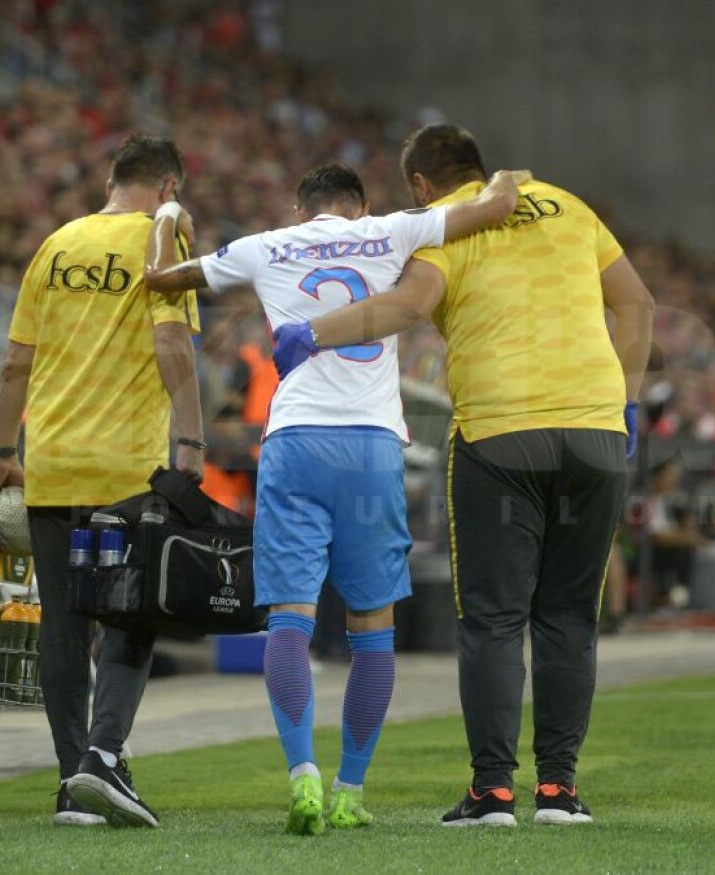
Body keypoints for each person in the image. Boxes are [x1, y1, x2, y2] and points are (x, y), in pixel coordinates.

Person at [274, 124, 656, 827]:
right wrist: (626, 400)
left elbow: (407, 306)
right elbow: (637, 303)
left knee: (494, 619)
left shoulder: (445, 227)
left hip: (500, 433)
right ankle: (559, 792)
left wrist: (314, 332)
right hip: (596, 432)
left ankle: (494, 792)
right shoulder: (570, 207)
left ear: (421, 186)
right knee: (570, 616)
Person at [145, 163, 522, 833]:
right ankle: (350, 788)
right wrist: (504, 178)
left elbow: (161, 278)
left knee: (289, 619)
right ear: (360, 205)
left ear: (300, 209)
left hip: (293, 441)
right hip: (372, 446)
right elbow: (497, 206)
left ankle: (303, 777)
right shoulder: (393, 230)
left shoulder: (265, 246)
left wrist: (167, 217)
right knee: (372, 627)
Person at [0, 134, 203, 830]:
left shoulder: (56, 244)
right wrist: (192, 439)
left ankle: (69, 780)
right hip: (125, 471)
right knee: (131, 616)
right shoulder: (163, 237)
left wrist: (2, 448)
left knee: (64, 625)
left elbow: (15, 361)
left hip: (51, 464)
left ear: (112, 181)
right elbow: (172, 340)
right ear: (168, 187)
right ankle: (103, 758)